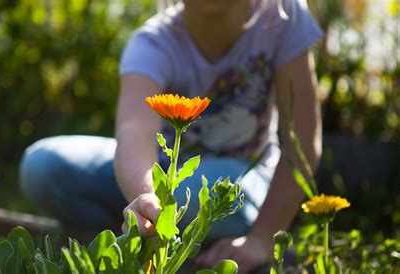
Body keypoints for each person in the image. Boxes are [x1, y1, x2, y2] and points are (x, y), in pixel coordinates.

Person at [20, 0, 323, 272]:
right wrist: (145, 196)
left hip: (240, 179)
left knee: (197, 192)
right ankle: (142, 226)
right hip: (161, 173)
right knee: (42, 166)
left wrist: (262, 238)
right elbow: (134, 131)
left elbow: (304, 141)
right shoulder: (152, 43)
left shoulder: (283, 18)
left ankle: (152, 228)